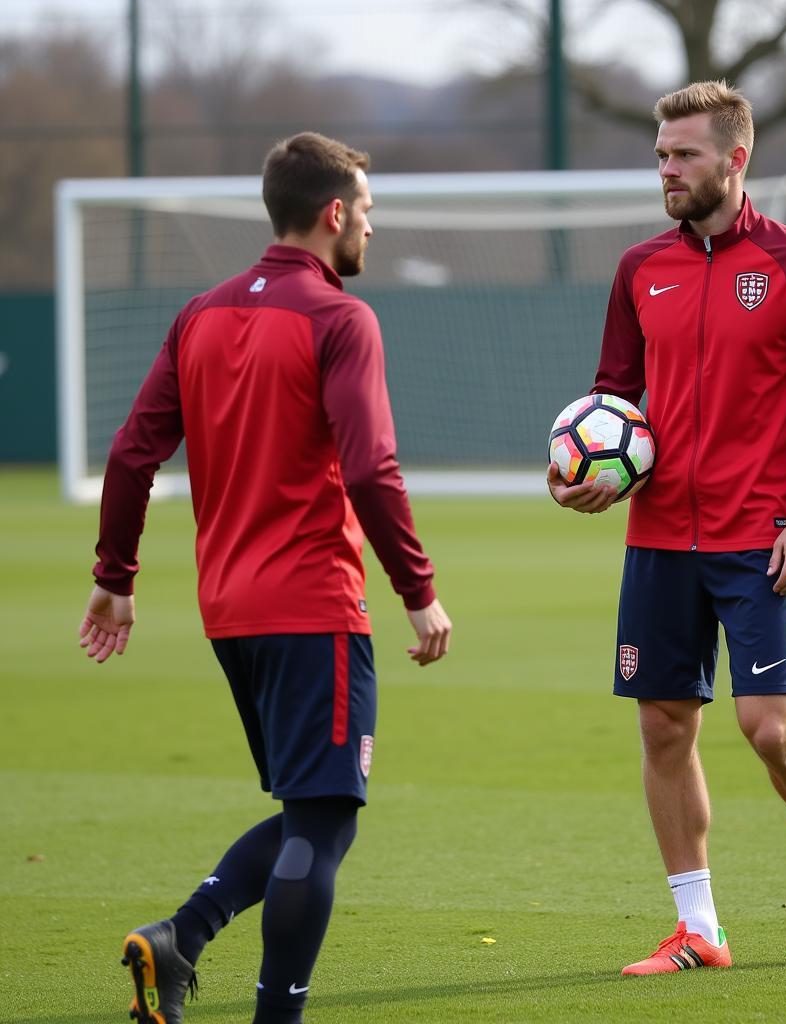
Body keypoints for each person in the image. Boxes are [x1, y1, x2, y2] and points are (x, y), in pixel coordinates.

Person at [78, 131, 452, 1024]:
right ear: (334, 214)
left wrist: (115, 575)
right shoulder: (339, 319)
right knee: (324, 823)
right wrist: (420, 589)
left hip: (230, 610)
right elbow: (371, 469)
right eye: (365, 209)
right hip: (314, 603)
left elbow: (132, 454)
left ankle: (180, 939)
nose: (373, 225)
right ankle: (275, 1014)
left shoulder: (199, 313)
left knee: (309, 809)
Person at [547, 80, 786, 973]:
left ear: (735, 158)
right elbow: (610, 399)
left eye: (683, 154)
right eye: (660, 155)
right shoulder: (641, 268)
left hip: (759, 538)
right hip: (656, 540)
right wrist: (575, 472)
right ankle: (699, 928)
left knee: (768, 726)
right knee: (664, 729)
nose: (667, 169)